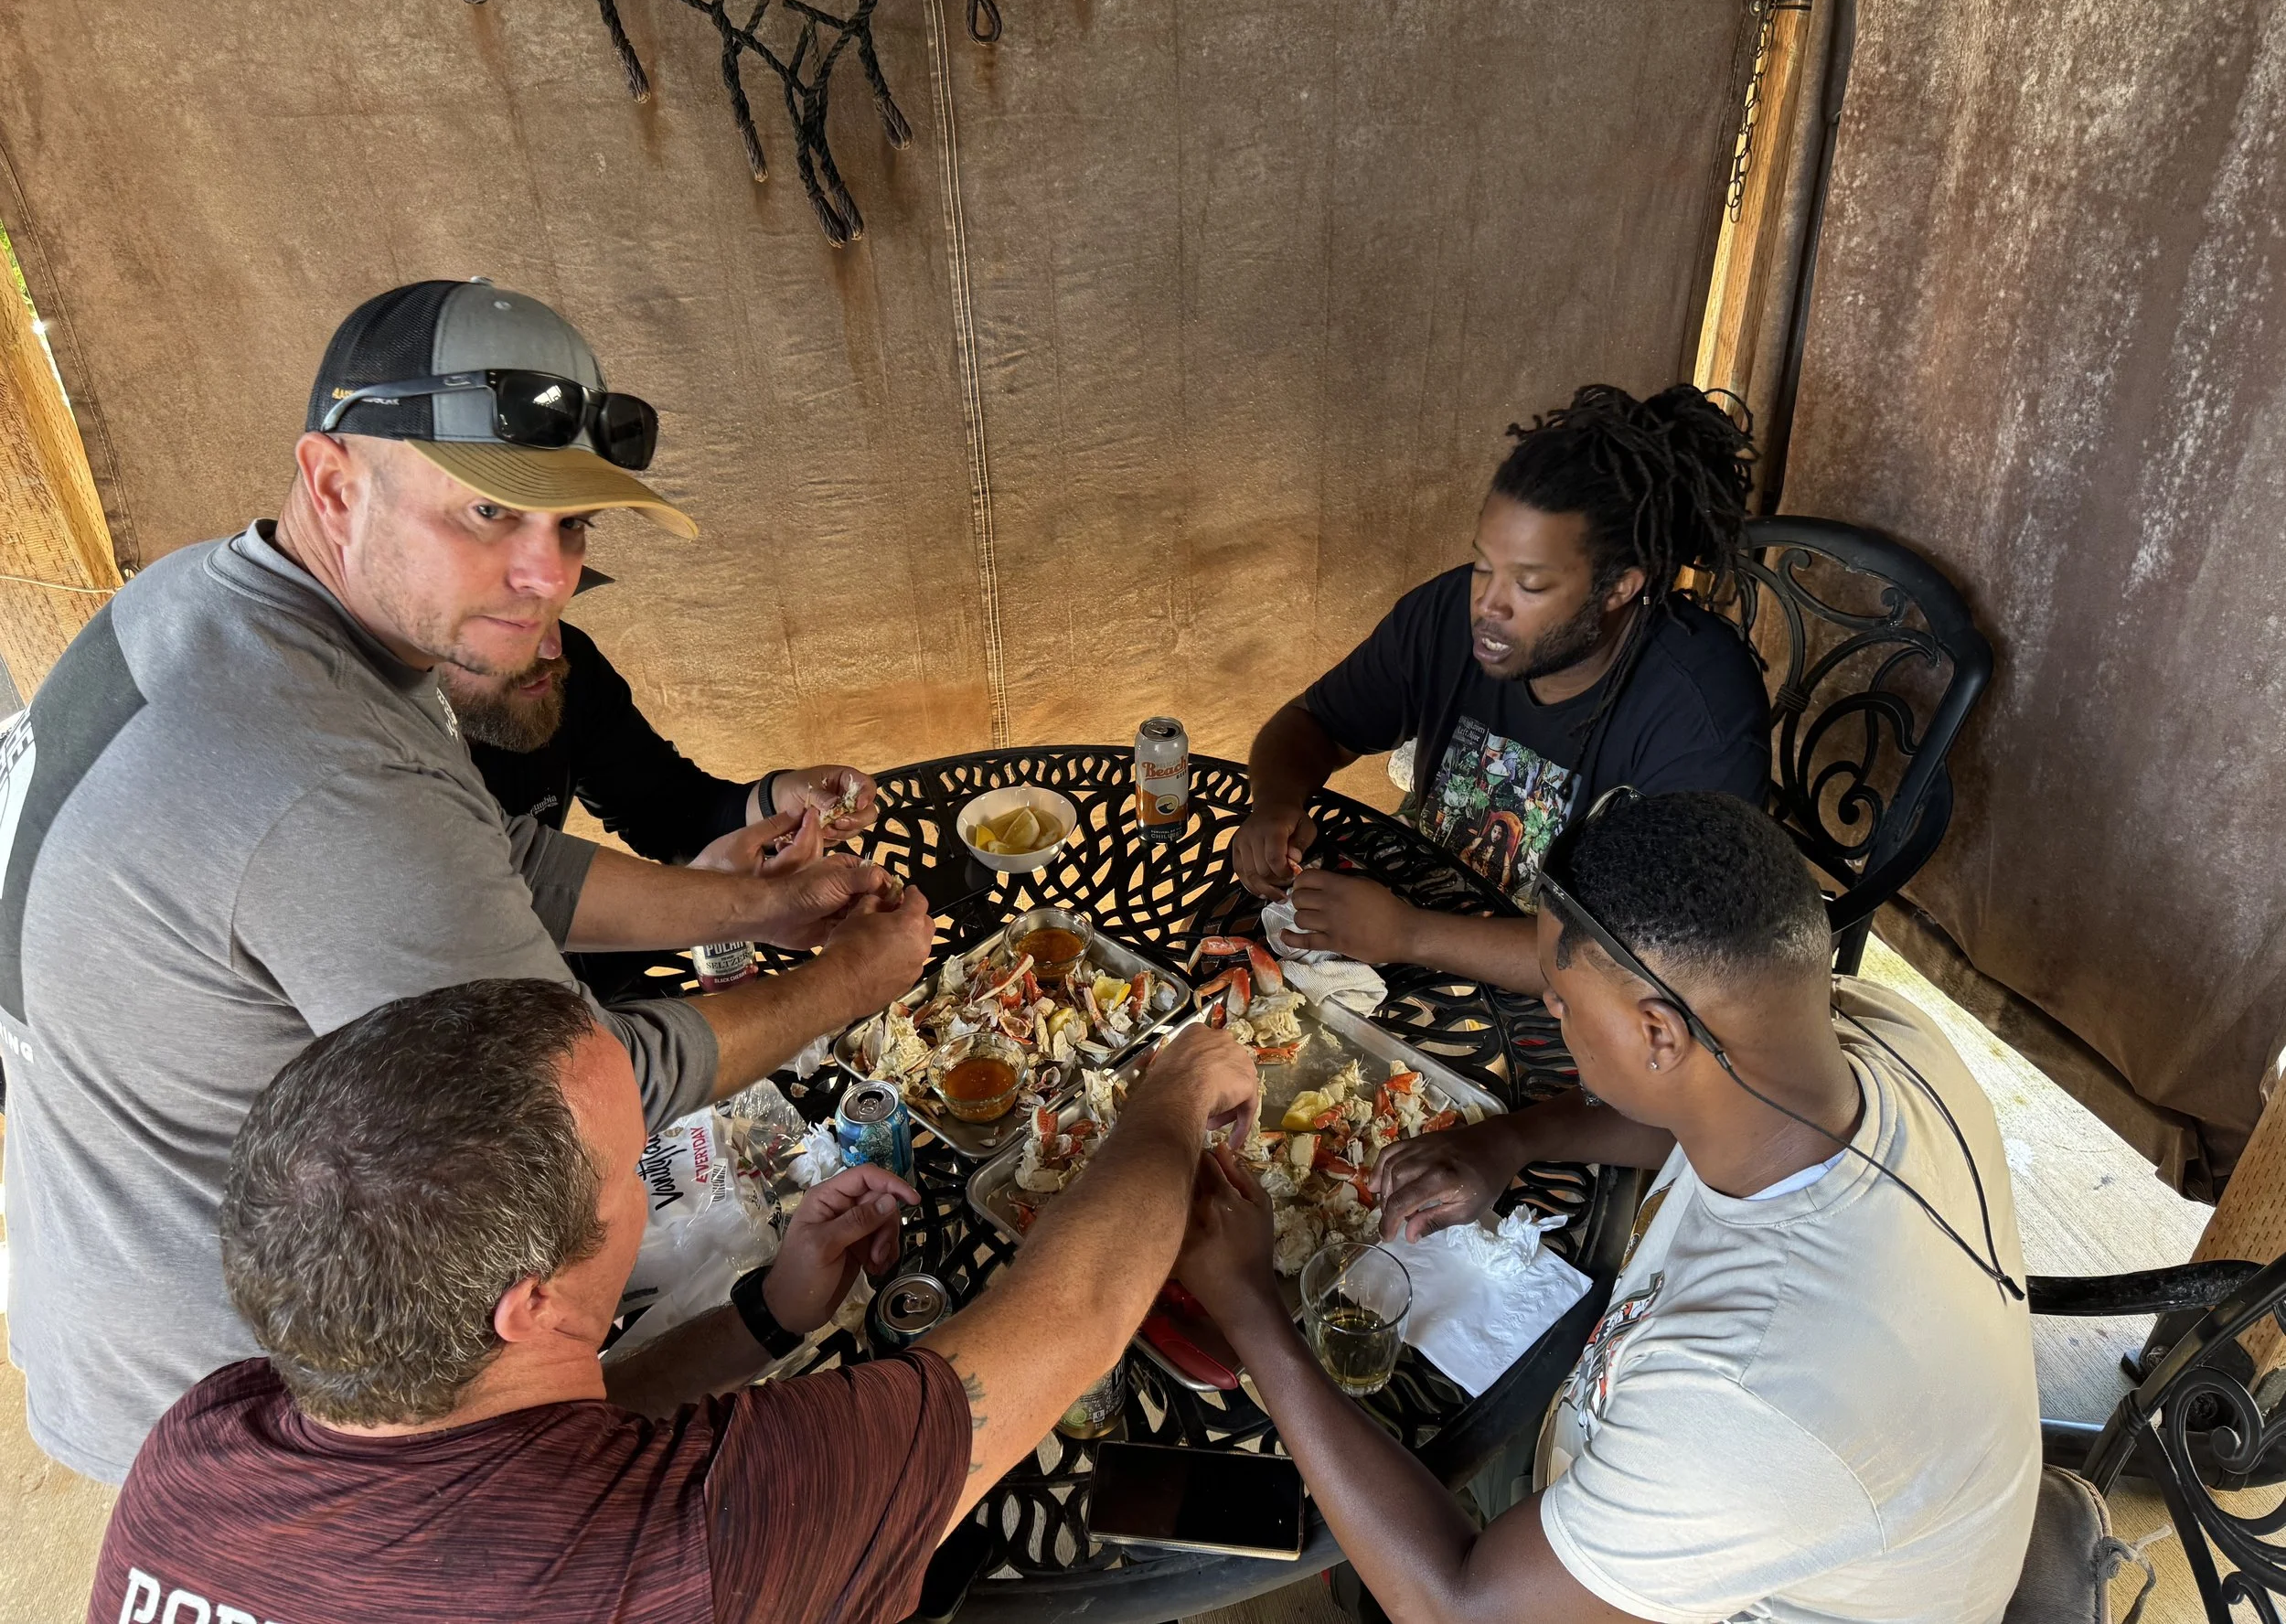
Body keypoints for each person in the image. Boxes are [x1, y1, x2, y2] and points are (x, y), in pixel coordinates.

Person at [0, 279, 935, 1483]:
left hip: (104, 1266)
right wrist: (852, 976)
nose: (545, 574)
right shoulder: (315, 774)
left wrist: (756, 903)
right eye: (490, 509)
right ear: (336, 483)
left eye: (576, 525)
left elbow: (490, 853)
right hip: (244, 1396)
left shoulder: (219, 604)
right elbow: (570, 1099)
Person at [90, 978, 1262, 1624]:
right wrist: (1174, 1094)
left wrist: (765, 1319)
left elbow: (523, 1436)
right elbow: (1079, 1311)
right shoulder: (706, 1538)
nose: (649, 1178)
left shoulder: (198, 1442)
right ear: (528, 1299)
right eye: (629, 1163)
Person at [1182, 791, 2040, 1623]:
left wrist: (1250, 1309)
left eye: (1560, 998)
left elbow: (1459, 1606)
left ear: (1658, 1035)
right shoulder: (1872, 1037)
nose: (1549, 1009)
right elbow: (1690, 1120)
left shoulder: (1745, 1396)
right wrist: (1511, 1141)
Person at [1234, 383, 1770, 999]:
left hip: (1567, 1013)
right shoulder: (1448, 615)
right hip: (1413, 928)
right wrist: (1275, 803)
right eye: (1485, 565)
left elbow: (1644, 964)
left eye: (1531, 583)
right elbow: (1314, 723)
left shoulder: (1699, 715)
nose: (1487, 602)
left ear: (1620, 585)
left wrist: (1410, 934)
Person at [443, 610, 883, 999]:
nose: (551, 646)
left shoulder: (557, 666)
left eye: (553, 606)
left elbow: (664, 808)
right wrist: (730, 902)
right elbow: (523, 986)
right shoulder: (398, 779)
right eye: (506, 619)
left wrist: (773, 800)